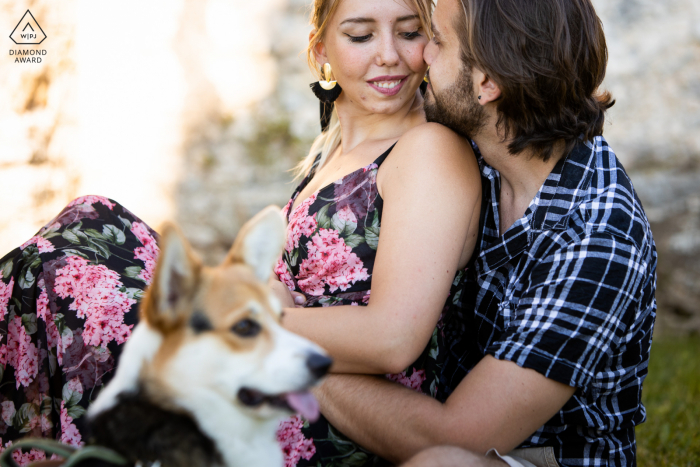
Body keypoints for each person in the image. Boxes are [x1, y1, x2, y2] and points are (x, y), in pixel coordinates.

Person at [0, 0, 485, 465]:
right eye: (360, 34)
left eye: (409, 31)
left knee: (54, 273)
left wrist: (241, 320)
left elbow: (393, 338)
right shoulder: (329, 159)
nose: (389, 54)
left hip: (340, 418)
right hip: (275, 375)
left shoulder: (429, 150)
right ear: (321, 53)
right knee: (93, 217)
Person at [297, 0, 657, 466]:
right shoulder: (485, 153)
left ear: (487, 84)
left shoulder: (598, 239)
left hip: (540, 456)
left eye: (438, 41)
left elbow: (457, 439)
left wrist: (271, 346)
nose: (421, 55)